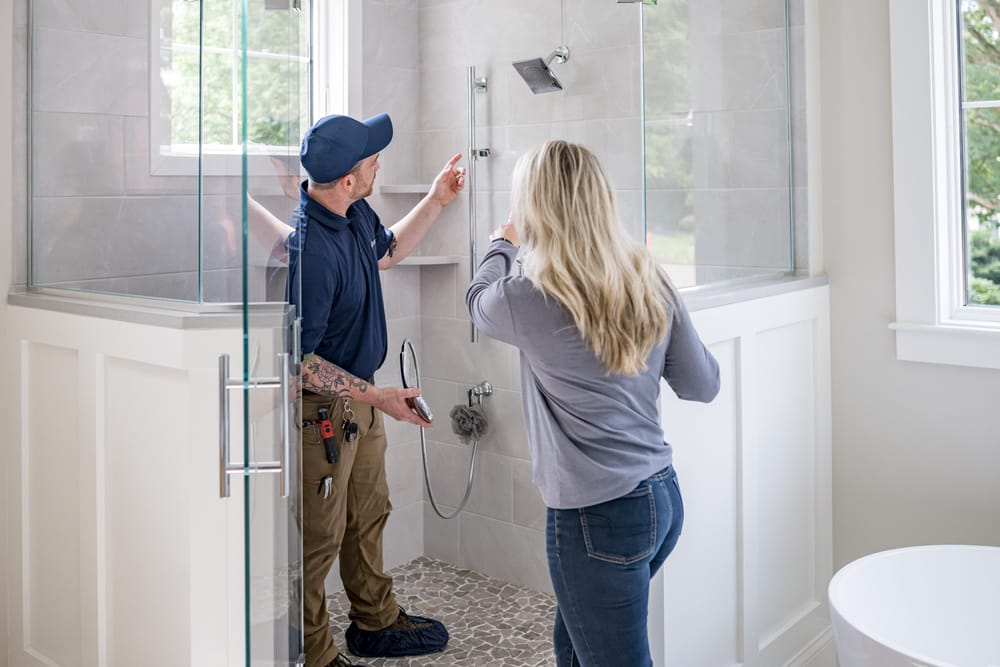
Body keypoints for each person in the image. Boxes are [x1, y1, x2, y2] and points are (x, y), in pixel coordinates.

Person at [465, 140, 720, 667]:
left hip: (595, 520)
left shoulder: (524, 296)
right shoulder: (647, 277)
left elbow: (476, 304)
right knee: (575, 643)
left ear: (534, 206)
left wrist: (500, 242)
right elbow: (702, 384)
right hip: (661, 499)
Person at [286, 112, 464, 667]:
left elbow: (388, 252)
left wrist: (436, 200)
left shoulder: (353, 212)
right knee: (318, 539)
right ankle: (313, 653)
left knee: (368, 513)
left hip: (362, 400)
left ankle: (375, 621)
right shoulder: (311, 252)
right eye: (370, 161)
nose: (377, 163)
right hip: (325, 413)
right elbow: (301, 365)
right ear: (346, 180)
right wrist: (376, 396)